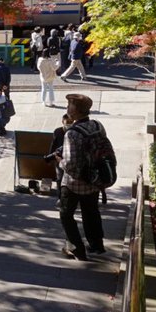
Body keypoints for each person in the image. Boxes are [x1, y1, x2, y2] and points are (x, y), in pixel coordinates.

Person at [57, 93, 108, 261]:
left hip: (74, 183)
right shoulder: (97, 125)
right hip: (94, 179)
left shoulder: (72, 133)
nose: (67, 107)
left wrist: (59, 161)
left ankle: (76, 248)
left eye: (70, 105)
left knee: (66, 214)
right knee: (91, 212)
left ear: (77, 111)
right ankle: (96, 245)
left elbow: (71, 164)